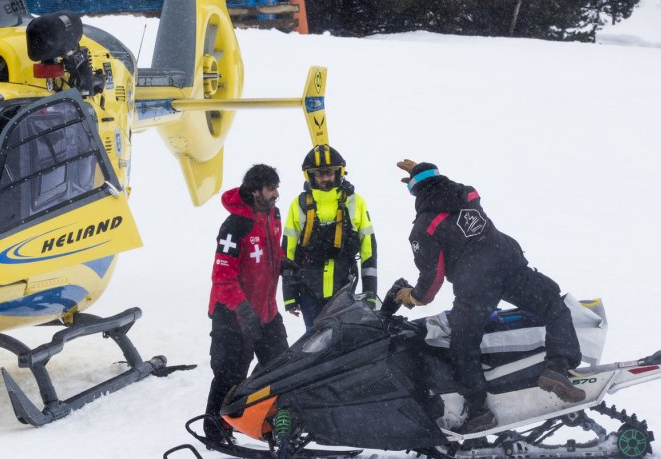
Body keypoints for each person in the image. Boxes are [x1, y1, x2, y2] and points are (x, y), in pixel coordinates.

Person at [393, 159, 584, 435]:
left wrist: (412, 296)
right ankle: (557, 366)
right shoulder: (468, 194)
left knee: (463, 346)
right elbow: (444, 188)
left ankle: (480, 411)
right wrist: (422, 171)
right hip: (508, 262)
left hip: (476, 284)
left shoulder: (423, 228)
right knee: (553, 303)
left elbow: (431, 282)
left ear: (413, 192)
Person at [204, 164, 289, 444]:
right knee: (230, 375)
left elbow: (271, 254)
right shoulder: (234, 226)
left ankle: (273, 421)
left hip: (266, 312)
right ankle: (215, 430)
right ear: (255, 191)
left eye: (277, 187)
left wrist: (288, 266)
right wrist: (243, 310)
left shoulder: (272, 214)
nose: (277, 194)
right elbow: (222, 276)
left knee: (282, 369)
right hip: (232, 314)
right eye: (271, 188)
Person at [282, 144, 378, 328]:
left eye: (329, 172)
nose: (325, 178)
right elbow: (288, 252)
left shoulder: (356, 202)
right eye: (319, 174)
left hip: (345, 290)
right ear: (310, 175)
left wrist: (370, 293)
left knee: (344, 344)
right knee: (315, 344)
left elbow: (369, 250)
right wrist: (289, 296)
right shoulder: (298, 205)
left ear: (339, 173)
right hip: (309, 291)